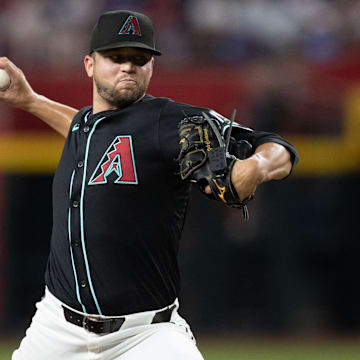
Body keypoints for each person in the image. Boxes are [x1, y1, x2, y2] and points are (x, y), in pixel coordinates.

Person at [0, 10, 298, 360]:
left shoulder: (170, 120)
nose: (128, 66)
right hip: (56, 328)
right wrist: (31, 101)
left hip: (145, 335)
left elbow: (280, 148)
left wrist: (255, 166)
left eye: (139, 59)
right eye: (116, 57)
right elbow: (85, 128)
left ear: (151, 67)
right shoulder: (86, 127)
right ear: (89, 65)